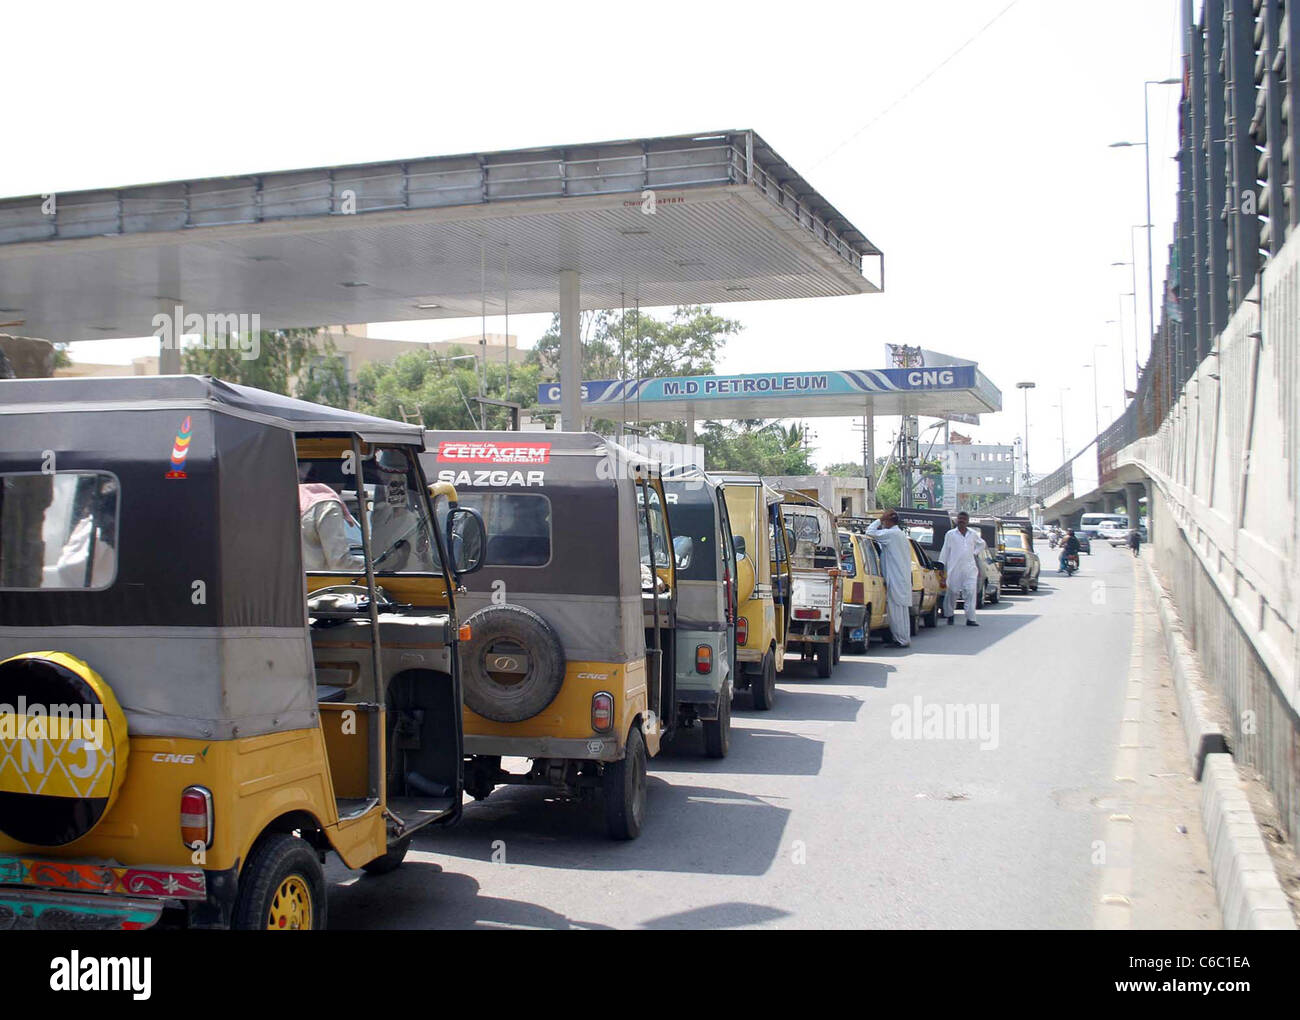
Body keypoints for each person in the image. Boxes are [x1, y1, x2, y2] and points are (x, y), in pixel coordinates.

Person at [299, 468, 365, 573]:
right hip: (317, 585)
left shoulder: (285, 498)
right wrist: (372, 569)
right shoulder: (326, 504)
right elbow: (339, 563)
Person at [866, 509, 915, 647]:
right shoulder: (898, 534)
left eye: (884, 521)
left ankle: (901, 640)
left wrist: (879, 519)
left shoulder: (892, 533)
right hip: (900, 577)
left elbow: (869, 532)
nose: (883, 524)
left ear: (888, 521)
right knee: (901, 612)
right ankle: (903, 638)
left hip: (896, 578)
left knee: (896, 612)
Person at [938, 510, 985, 626]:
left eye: (964, 519)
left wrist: (975, 552)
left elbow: (982, 544)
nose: (961, 521)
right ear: (956, 520)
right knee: (952, 592)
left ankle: (971, 618)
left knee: (970, 592)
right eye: (960, 519)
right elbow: (945, 551)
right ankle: (949, 615)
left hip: (969, 568)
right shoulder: (950, 534)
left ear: (967, 521)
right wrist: (941, 566)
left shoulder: (972, 534)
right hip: (954, 569)